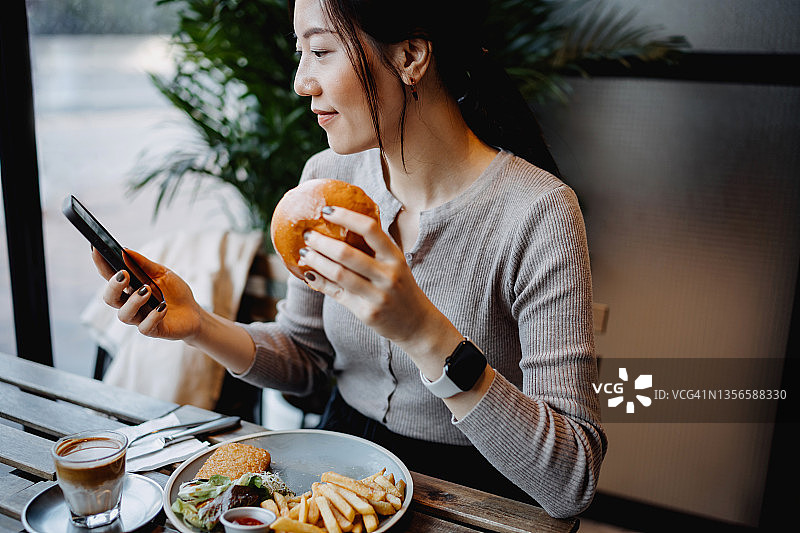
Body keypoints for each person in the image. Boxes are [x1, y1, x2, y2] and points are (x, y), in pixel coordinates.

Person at [92, 0, 606, 518]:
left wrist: (424, 334)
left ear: (410, 56)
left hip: (477, 491)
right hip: (337, 465)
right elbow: (307, 357)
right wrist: (198, 324)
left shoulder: (540, 213)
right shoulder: (325, 179)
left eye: (320, 51)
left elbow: (570, 481)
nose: (301, 83)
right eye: (301, 54)